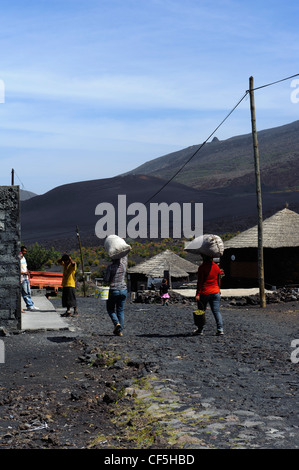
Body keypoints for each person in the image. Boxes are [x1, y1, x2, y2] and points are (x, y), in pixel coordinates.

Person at [194, 254, 224, 336]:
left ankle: (200, 330)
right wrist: (218, 289)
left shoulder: (202, 268)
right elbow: (218, 280)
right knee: (216, 311)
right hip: (215, 291)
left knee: (201, 311)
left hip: (205, 292)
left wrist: (198, 294)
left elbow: (200, 282)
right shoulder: (216, 267)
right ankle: (220, 329)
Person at [103, 255, 128, 336]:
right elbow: (125, 256)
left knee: (110, 309)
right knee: (120, 310)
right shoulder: (123, 266)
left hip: (113, 290)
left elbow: (106, 279)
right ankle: (119, 331)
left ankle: (116, 323)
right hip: (123, 290)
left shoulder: (110, 267)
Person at [20, 246, 38, 311]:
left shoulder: (24, 258)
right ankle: (29, 305)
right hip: (22, 278)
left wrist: (27, 272)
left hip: (26, 277)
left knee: (28, 292)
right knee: (25, 293)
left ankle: (31, 305)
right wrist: (23, 273)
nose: (25, 252)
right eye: (24, 251)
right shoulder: (18, 259)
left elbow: (25, 267)